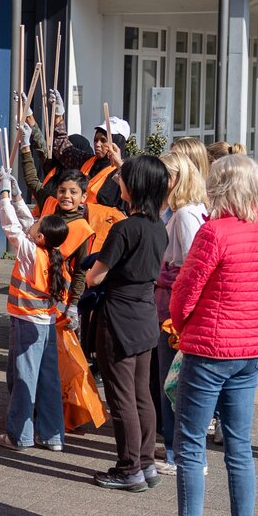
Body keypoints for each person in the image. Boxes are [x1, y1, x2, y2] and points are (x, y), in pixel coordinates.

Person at [145, 155, 258, 516]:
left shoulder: (213, 232)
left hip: (209, 349)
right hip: (252, 348)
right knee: (239, 448)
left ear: (218, 186)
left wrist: (181, 327)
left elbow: (185, 291)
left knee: (189, 446)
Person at [84, 156, 169, 492]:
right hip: (145, 315)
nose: (118, 182)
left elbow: (94, 278)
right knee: (141, 395)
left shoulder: (124, 228)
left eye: (123, 177)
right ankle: (144, 464)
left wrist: (93, 271)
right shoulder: (158, 226)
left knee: (121, 398)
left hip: (118, 316)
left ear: (133, 187)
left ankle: (129, 467)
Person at [0, 168, 70, 453]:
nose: (33, 225)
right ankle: (52, 435)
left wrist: (3, 193)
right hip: (46, 323)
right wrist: (15, 192)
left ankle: (20, 435)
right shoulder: (50, 251)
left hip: (27, 323)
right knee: (48, 378)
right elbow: (28, 221)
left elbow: (12, 227)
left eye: (37, 228)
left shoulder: (30, 251)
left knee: (23, 377)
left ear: (40, 237)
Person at [153, 139, 209, 469]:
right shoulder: (185, 211)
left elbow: (190, 266)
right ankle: (175, 447)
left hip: (174, 310)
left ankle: (179, 454)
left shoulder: (186, 215)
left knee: (173, 382)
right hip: (172, 305)